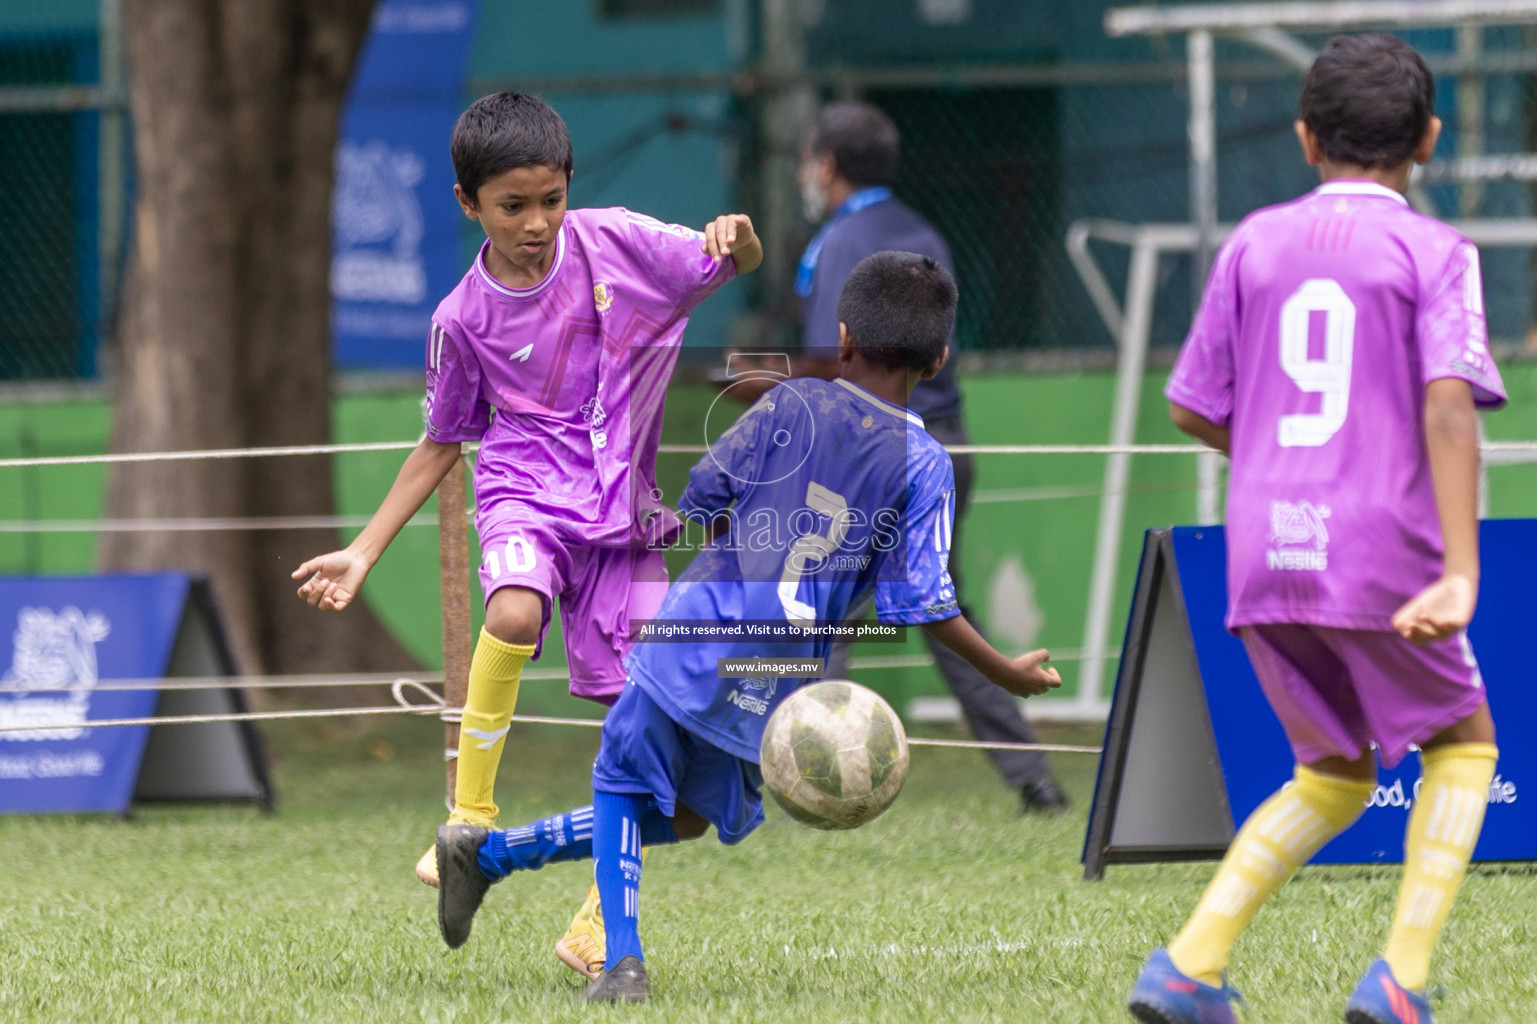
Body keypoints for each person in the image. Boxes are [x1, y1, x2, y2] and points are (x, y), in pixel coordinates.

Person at [433, 251, 1063, 1003]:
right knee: (640, 787)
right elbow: (922, 600)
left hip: (695, 635)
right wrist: (1005, 670)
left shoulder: (792, 403)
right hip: (780, 670)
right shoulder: (926, 464)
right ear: (939, 357)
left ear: (844, 338)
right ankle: (620, 961)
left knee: (679, 810)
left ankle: (489, 857)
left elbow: (704, 492)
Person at [292, 91, 760, 978]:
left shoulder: (614, 240)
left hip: (622, 515)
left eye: (550, 200)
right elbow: (442, 445)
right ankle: (470, 816)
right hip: (522, 494)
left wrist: (739, 238)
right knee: (508, 614)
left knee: (650, 723)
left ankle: (594, 926)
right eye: (513, 206)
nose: (537, 223)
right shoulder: (460, 319)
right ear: (468, 204)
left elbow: (722, 261)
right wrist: (362, 549)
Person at [1129, 34, 1505, 1024]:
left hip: (1261, 543)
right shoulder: (1436, 249)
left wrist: (1274, 468)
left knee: (1332, 771)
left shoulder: (1253, 240)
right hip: (1378, 545)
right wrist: (1460, 569)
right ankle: (1400, 981)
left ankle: (1187, 965)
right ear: (1428, 138)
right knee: (1463, 745)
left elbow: (1188, 404)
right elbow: (1448, 402)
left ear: (1304, 140)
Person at [733, 101, 1068, 813]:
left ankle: (787, 772)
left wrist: (758, 382)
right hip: (946, 440)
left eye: (804, 160)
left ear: (823, 166)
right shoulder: (924, 235)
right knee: (941, 609)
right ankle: (1033, 777)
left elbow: (835, 367)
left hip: (869, 453)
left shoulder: (834, 243)